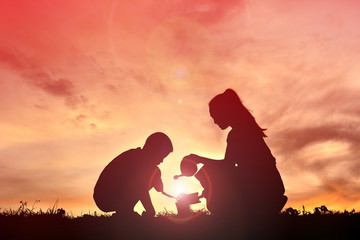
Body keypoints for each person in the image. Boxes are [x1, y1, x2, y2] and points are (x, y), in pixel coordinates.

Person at [183, 89, 287, 217]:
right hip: (273, 188)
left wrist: (199, 160)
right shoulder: (246, 129)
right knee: (216, 173)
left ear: (225, 112)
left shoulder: (238, 134)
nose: (214, 121)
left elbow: (227, 166)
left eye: (214, 115)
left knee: (211, 171)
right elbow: (230, 165)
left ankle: (230, 210)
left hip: (264, 191)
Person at [93, 132, 174, 217]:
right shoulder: (137, 160)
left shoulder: (138, 157)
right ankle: (125, 211)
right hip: (105, 198)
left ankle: (125, 210)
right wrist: (150, 210)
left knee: (154, 172)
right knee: (151, 174)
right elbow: (140, 188)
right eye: (161, 156)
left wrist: (157, 179)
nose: (161, 161)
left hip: (105, 196)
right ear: (153, 150)